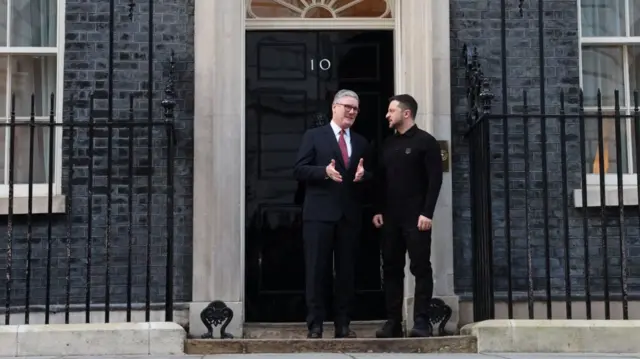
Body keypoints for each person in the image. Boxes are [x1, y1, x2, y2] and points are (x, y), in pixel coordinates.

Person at [293, 89, 371, 339]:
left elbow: (372, 176)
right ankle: (315, 324)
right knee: (317, 270)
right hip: (318, 214)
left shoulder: (361, 142)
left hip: (349, 216)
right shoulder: (314, 136)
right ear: (334, 107)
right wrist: (323, 172)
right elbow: (299, 170)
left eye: (356, 109)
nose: (351, 112)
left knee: (346, 272)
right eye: (347, 106)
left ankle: (343, 324)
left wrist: (363, 176)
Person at [372, 94, 443, 338]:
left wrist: (427, 213)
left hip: (417, 218)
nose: (387, 115)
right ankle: (393, 321)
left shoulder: (426, 142)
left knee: (420, 267)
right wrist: (378, 209)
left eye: (391, 111)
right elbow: (381, 180)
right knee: (391, 268)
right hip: (390, 218)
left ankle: (421, 321)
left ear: (406, 113)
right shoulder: (387, 145)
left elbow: (435, 180)